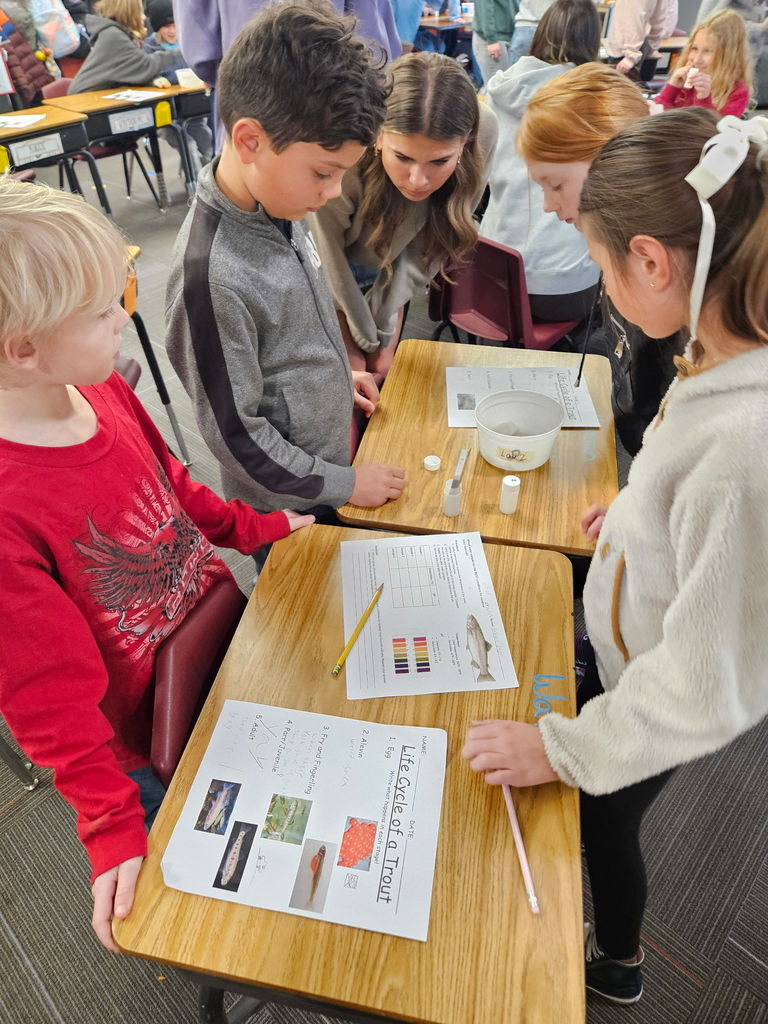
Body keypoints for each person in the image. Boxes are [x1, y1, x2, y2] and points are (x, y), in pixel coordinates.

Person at [463, 107, 768, 1005]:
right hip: (627, 639)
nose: (598, 283)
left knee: (602, 818)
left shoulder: (746, 456)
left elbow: (707, 686)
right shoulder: (720, 344)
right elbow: (685, 488)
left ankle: (622, 965)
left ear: (651, 260)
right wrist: (637, 513)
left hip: (651, 695)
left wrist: (566, 749)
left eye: (600, 266)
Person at [0, 178, 315, 952]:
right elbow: (46, 693)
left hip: (221, 642)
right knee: (211, 893)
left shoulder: (100, 387)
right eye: (105, 308)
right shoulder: (10, 505)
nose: (127, 316)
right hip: (146, 734)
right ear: (24, 349)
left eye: (123, 289)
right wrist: (109, 824)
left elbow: (170, 483)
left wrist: (258, 527)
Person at [166, 4, 406, 520]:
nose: (334, 191)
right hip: (288, 509)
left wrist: (335, 376)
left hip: (329, 458)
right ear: (250, 140)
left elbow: (289, 339)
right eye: (323, 172)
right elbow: (238, 439)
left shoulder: (281, 199)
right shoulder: (212, 279)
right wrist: (343, 485)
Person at [517, 62, 680, 455]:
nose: (548, 206)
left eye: (556, 185)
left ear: (613, 161)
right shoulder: (616, 242)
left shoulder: (668, 265)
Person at [307, 50, 498, 376]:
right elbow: (327, 256)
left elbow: (433, 242)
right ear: (379, 135)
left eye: (439, 161)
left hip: (406, 255)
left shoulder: (486, 131)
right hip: (329, 259)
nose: (418, 181)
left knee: (382, 367)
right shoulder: (344, 142)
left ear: (464, 143)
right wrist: (363, 338)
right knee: (349, 372)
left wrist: (383, 324)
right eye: (403, 157)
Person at [480, 0, 602, 323]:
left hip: (490, 275)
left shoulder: (496, 90)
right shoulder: (591, 98)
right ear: (593, 41)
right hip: (561, 285)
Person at [175, 0, 403, 153]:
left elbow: (200, 50)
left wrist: (239, 76)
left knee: (245, 206)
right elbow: (375, 44)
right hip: (334, 101)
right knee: (329, 192)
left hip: (249, 97)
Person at [142, 0, 214, 170]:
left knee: (207, 138)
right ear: (157, 27)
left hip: (192, 108)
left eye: (175, 25)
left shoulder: (188, 41)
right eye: (166, 26)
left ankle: (211, 173)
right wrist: (153, 80)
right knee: (188, 145)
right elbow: (143, 73)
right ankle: (196, 184)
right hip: (166, 117)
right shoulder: (148, 47)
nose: (172, 31)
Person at [656, 9, 752, 116]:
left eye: (707, 51)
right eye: (694, 48)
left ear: (728, 57)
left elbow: (710, 130)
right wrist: (671, 89)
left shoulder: (737, 92)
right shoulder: (684, 83)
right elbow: (654, 120)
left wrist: (703, 99)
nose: (697, 60)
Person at [70, 0, 177, 93]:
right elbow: (145, 65)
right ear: (128, 13)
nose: (143, 17)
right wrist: (182, 52)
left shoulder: (116, 34)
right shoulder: (114, 36)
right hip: (85, 101)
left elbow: (133, 71)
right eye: (139, 11)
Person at [605, 0, 678, 81]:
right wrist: (652, 45)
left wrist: (631, 56)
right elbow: (660, 19)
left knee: (621, 89)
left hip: (625, 53)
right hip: (636, 49)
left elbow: (634, 18)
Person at [471, 0, 519, 87]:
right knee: (497, 88)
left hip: (509, 35)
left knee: (505, 86)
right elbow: (484, 6)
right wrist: (492, 39)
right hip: (492, 39)